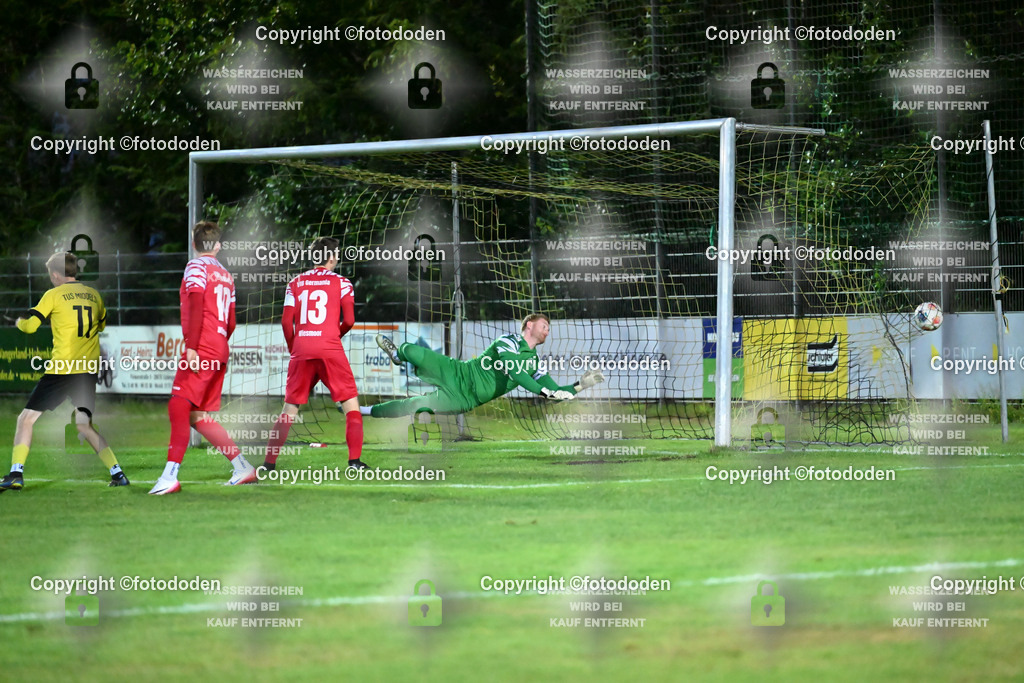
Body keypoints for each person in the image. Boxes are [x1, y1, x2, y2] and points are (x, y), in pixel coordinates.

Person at [0, 252, 128, 492]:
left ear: (56, 274)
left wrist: (18, 322)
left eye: (51, 274)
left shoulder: (54, 294)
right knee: (84, 425)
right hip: (87, 370)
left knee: (26, 419)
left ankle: (16, 473)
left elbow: (30, 326)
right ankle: (118, 473)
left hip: (63, 369)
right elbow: (101, 325)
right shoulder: (94, 295)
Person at [149, 222, 256, 495]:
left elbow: (196, 305)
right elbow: (231, 322)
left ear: (194, 244)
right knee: (197, 415)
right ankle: (242, 467)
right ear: (218, 246)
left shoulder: (195, 267)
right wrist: (216, 344)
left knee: (178, 405)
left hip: (203, 346)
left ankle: (169, 476)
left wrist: (193, 347)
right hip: (220, 347)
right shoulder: (226, 275)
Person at [363, 314, 604, 418]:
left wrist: (581, 385)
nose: (548, 330)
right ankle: (398, 355)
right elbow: (516, 373)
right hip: (458, 373)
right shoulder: (508, 341)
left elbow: (556, 393)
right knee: (413, 350)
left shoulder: (535, 364)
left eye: (549, 329)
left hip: (464, 399)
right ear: (529, 325)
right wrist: (544, 391)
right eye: (544, 326)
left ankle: (365, 411)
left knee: (414, 406)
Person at [262, 237, 366, 471]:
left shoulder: (295, 282)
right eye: (336, 254)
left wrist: (295, 348)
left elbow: (286, 323)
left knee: (289, 410)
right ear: (332, 258)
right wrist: (334, 336)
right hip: (330, 349)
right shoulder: (343, 283)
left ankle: (268, 464)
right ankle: (354, 462)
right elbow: (349, 320)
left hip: (302, 350)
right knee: (351, 405)